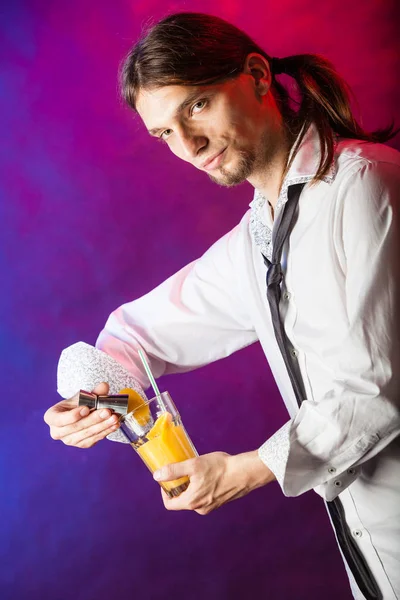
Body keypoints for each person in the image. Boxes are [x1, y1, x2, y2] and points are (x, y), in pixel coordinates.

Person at [43, 12, 400, 600]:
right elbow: (135, 335)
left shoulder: (364, 184)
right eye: (164, 133)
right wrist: (91, 400)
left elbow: (378, 386)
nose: (188, 146)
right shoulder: (257, 238)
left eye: (197, 106)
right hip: (373, 556)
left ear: (257, 76)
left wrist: (251, 467)